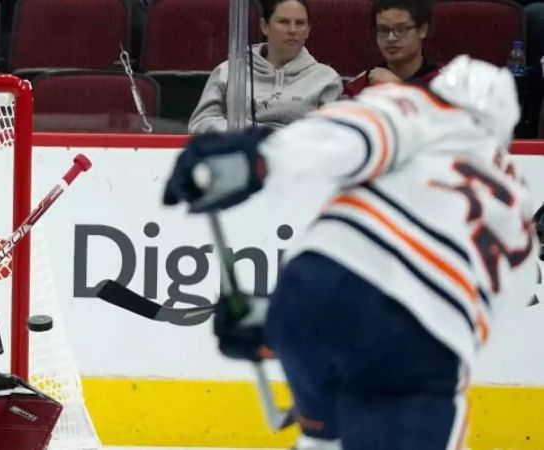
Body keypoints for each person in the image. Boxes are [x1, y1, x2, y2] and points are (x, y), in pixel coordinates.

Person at [164, 55, 538, 449]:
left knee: (324, 436)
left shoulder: (428, 110)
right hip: (421, 342)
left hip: (318, 289)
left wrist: (258, 160)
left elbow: (359, 130)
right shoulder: (517, 206)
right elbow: (506, 302)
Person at [188, 0, 342, 133]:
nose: (293, 30)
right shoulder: (230, 71)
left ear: (308, 30)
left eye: (300, 23)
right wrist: (253, 135)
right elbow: (200, 123)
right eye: (284, 22)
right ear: (264, 26)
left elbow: (330, 134)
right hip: (240, 154)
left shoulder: (327, 79)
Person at [344, 0, 440, 97]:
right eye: (383, 30)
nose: (391, 38)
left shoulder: (445, 82)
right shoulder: (359, 86)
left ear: (422, 30)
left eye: (401, 29)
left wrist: (399, 88)